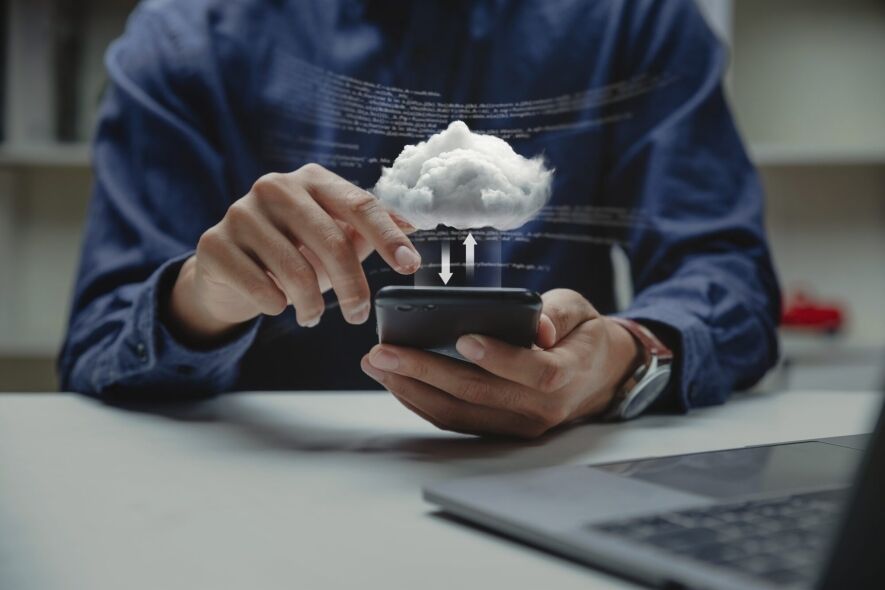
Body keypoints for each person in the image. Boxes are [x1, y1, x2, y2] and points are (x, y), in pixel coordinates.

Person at [59, 0, 781, 438]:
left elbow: (723, 271)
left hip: (555, 480)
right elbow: (100, 350)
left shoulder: (631, 17)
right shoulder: (185, 39)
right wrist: (203, 297)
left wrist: (621, 357)